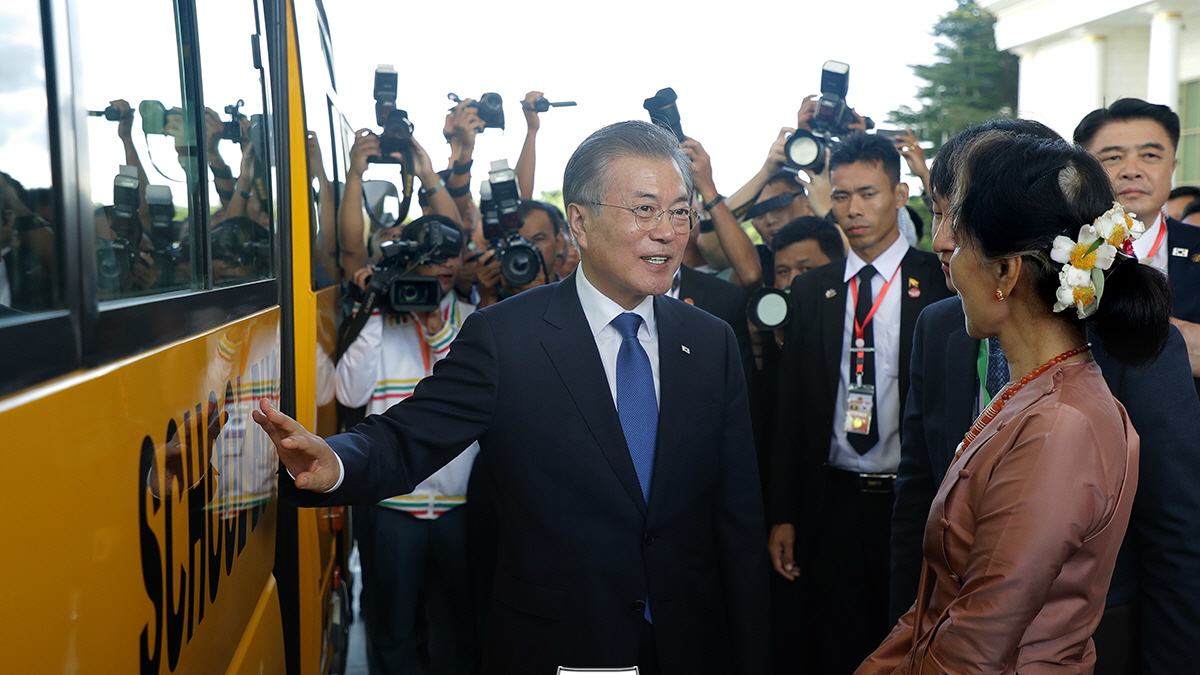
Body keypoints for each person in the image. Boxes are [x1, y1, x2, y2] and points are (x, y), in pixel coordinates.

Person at [253, 120, 768, 674]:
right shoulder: (507, 337)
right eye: (644, 210)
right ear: (581, 222)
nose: (667, 231)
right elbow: (408, 437)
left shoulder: (710, 341)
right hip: (562, 644)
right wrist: (333, 462)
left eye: (680, 211)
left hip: (691, 643)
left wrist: (753, 656)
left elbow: (738, 516)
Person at [890, 118, 1200, 675]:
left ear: (1009, 263)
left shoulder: (1065, 417)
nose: (940, 239)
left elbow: (1175, 536)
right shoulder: (954, 335)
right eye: (936, 213)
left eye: (953, 215)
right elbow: (917, 499)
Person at [767, 133, 952, 675]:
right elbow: (790, 410)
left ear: (898, 194)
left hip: (912, 503)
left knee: (911, 642)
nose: (853, 210)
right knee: (834, 646)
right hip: (833, 501)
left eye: (868, 194)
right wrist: (782, 514)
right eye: (841, 196)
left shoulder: (939, 282)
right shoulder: (812, 290)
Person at [336, 214, 477, 675]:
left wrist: (437, 326)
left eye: (452, 259)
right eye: (431, 260)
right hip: (392, 506)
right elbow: (349, 394)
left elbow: (467, 386)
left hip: (461, 507)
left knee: (459, 630)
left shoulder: (477, 319)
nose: (443, 269)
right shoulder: (381, 316)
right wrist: (376, 305)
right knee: (391, 630)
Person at [1073, 98, 1200, 390]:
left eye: (1150, 156)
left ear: (1172, 166)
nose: (1132, 170)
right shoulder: (1060, 251)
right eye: (1113, 158)